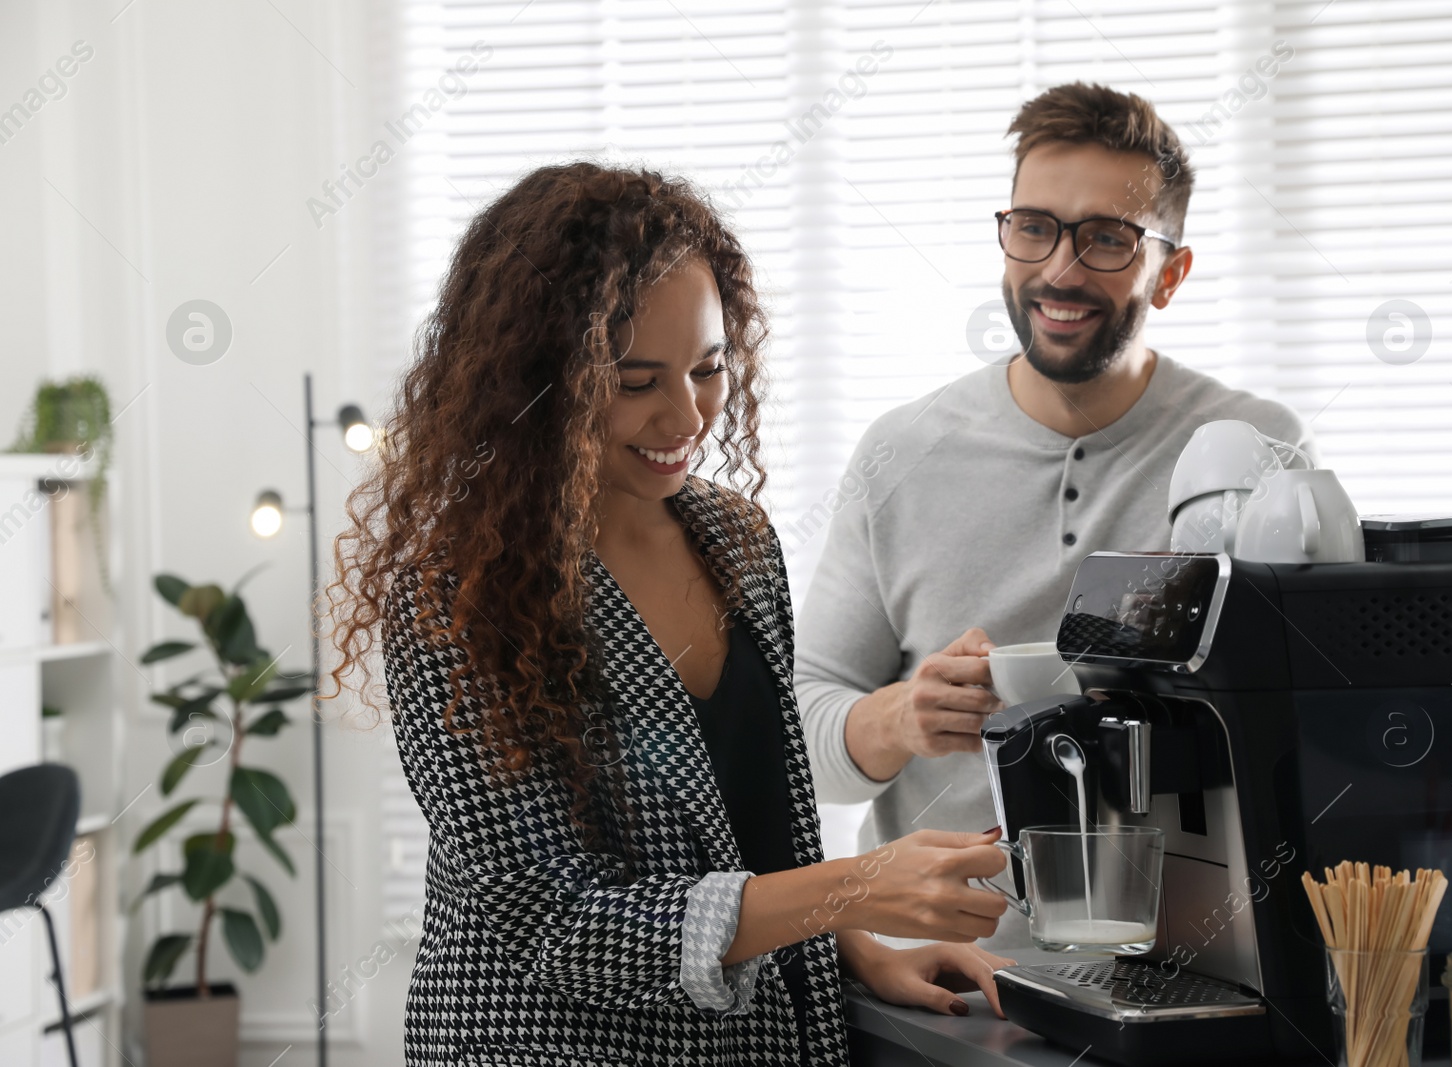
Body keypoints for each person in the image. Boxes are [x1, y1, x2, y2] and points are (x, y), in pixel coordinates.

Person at [327, 161, 1016, 1066]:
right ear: (540, 384)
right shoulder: (456, 594)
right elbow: (558, 923)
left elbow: (755, 833)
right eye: (636, 380)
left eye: (709, 366)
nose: (687, 414)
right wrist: (856, 890)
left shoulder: (737, 539)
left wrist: (856, 949)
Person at [795, 83, 1319, 948]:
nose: (1060, 271)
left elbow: (1308, 728)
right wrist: (899, 717)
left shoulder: (1255, 451)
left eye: (1107, 239)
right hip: (930, 972)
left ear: (1172, 273)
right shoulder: (902, 450)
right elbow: (801, 735)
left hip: (1180, 960)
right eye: (1034, 227)